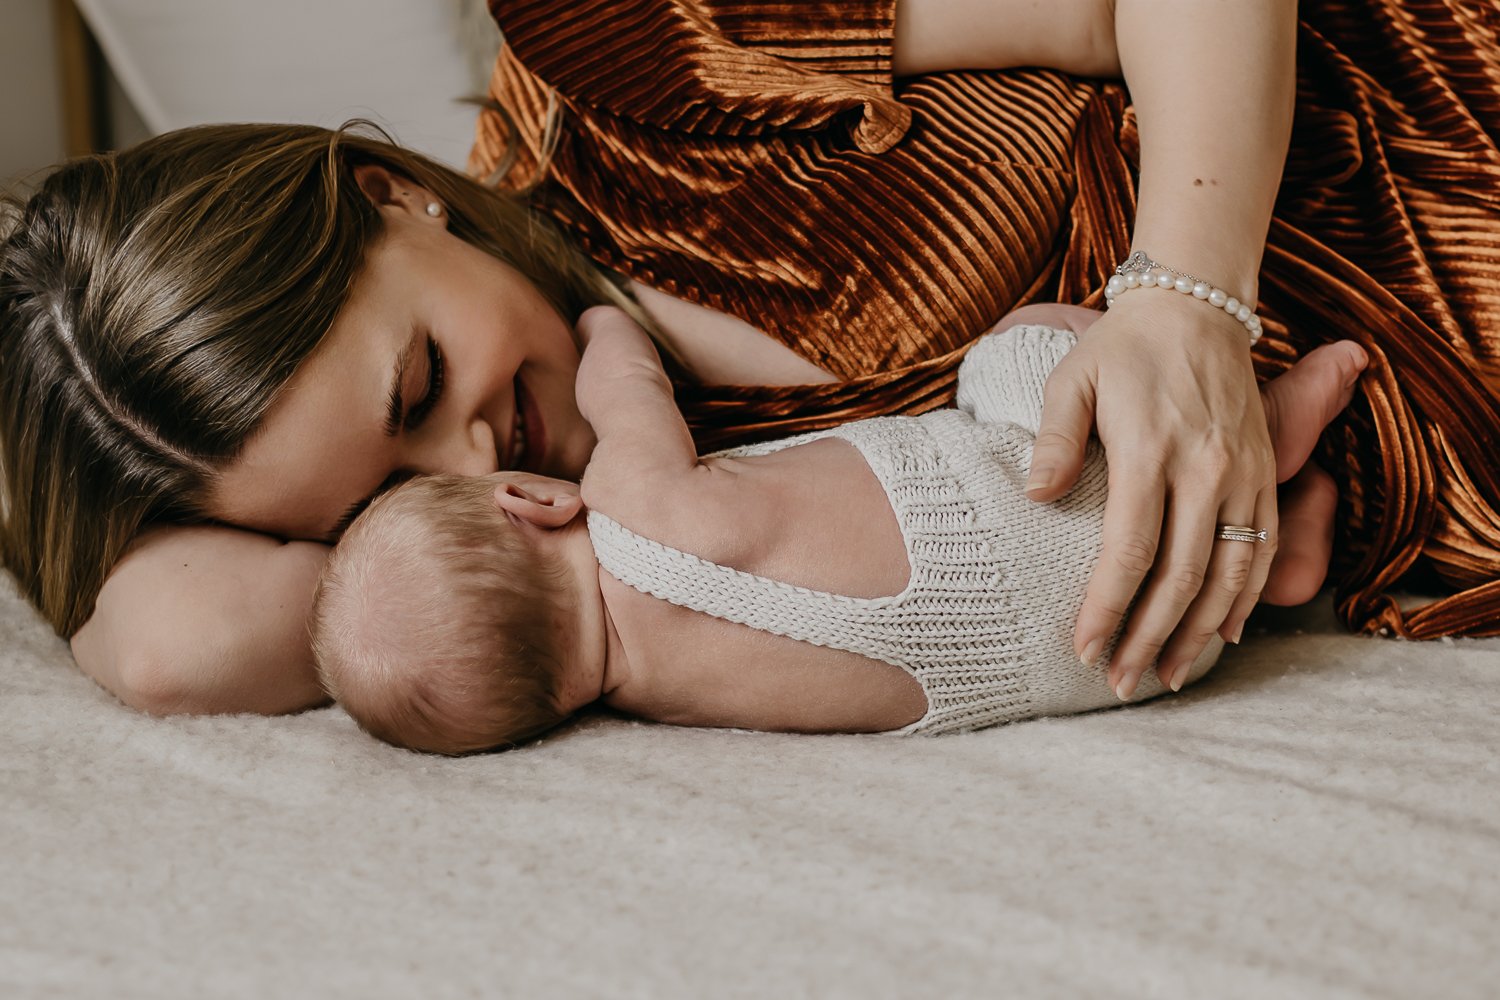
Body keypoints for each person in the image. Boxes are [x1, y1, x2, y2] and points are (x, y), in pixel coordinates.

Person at [0, 0, 1494, 718]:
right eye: (370, 499)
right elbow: (167, 645)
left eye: (415, 389)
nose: (480, 466)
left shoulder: (625, 41)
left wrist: (1184, 298)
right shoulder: (607, 543)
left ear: (389, 195)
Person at [310, 307, 1370, 754]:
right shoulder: (633, 499)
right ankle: (1264, 433)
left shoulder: (667, 709)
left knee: (1169, 575)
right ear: (533, 502)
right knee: (1020, 349)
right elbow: (627, 380)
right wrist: (599, 322)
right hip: (1024, 496)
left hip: (1099, 659)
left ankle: (1282, 568)